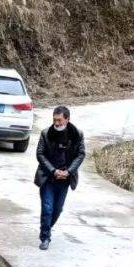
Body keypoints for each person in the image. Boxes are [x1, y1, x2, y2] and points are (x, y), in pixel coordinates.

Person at [33, 106, 85, 250]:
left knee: (57, 209)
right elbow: (40, 154)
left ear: (67, 120)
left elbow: (81, 154)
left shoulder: (77, 134)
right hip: (48, 177)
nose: (56, 123)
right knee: (47, 208)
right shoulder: (45, 133)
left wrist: (69, 171)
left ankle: (46, 228)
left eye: (59, 120)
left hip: (65, 179)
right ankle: (45, 237)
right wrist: (53, 170)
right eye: (54, 120)